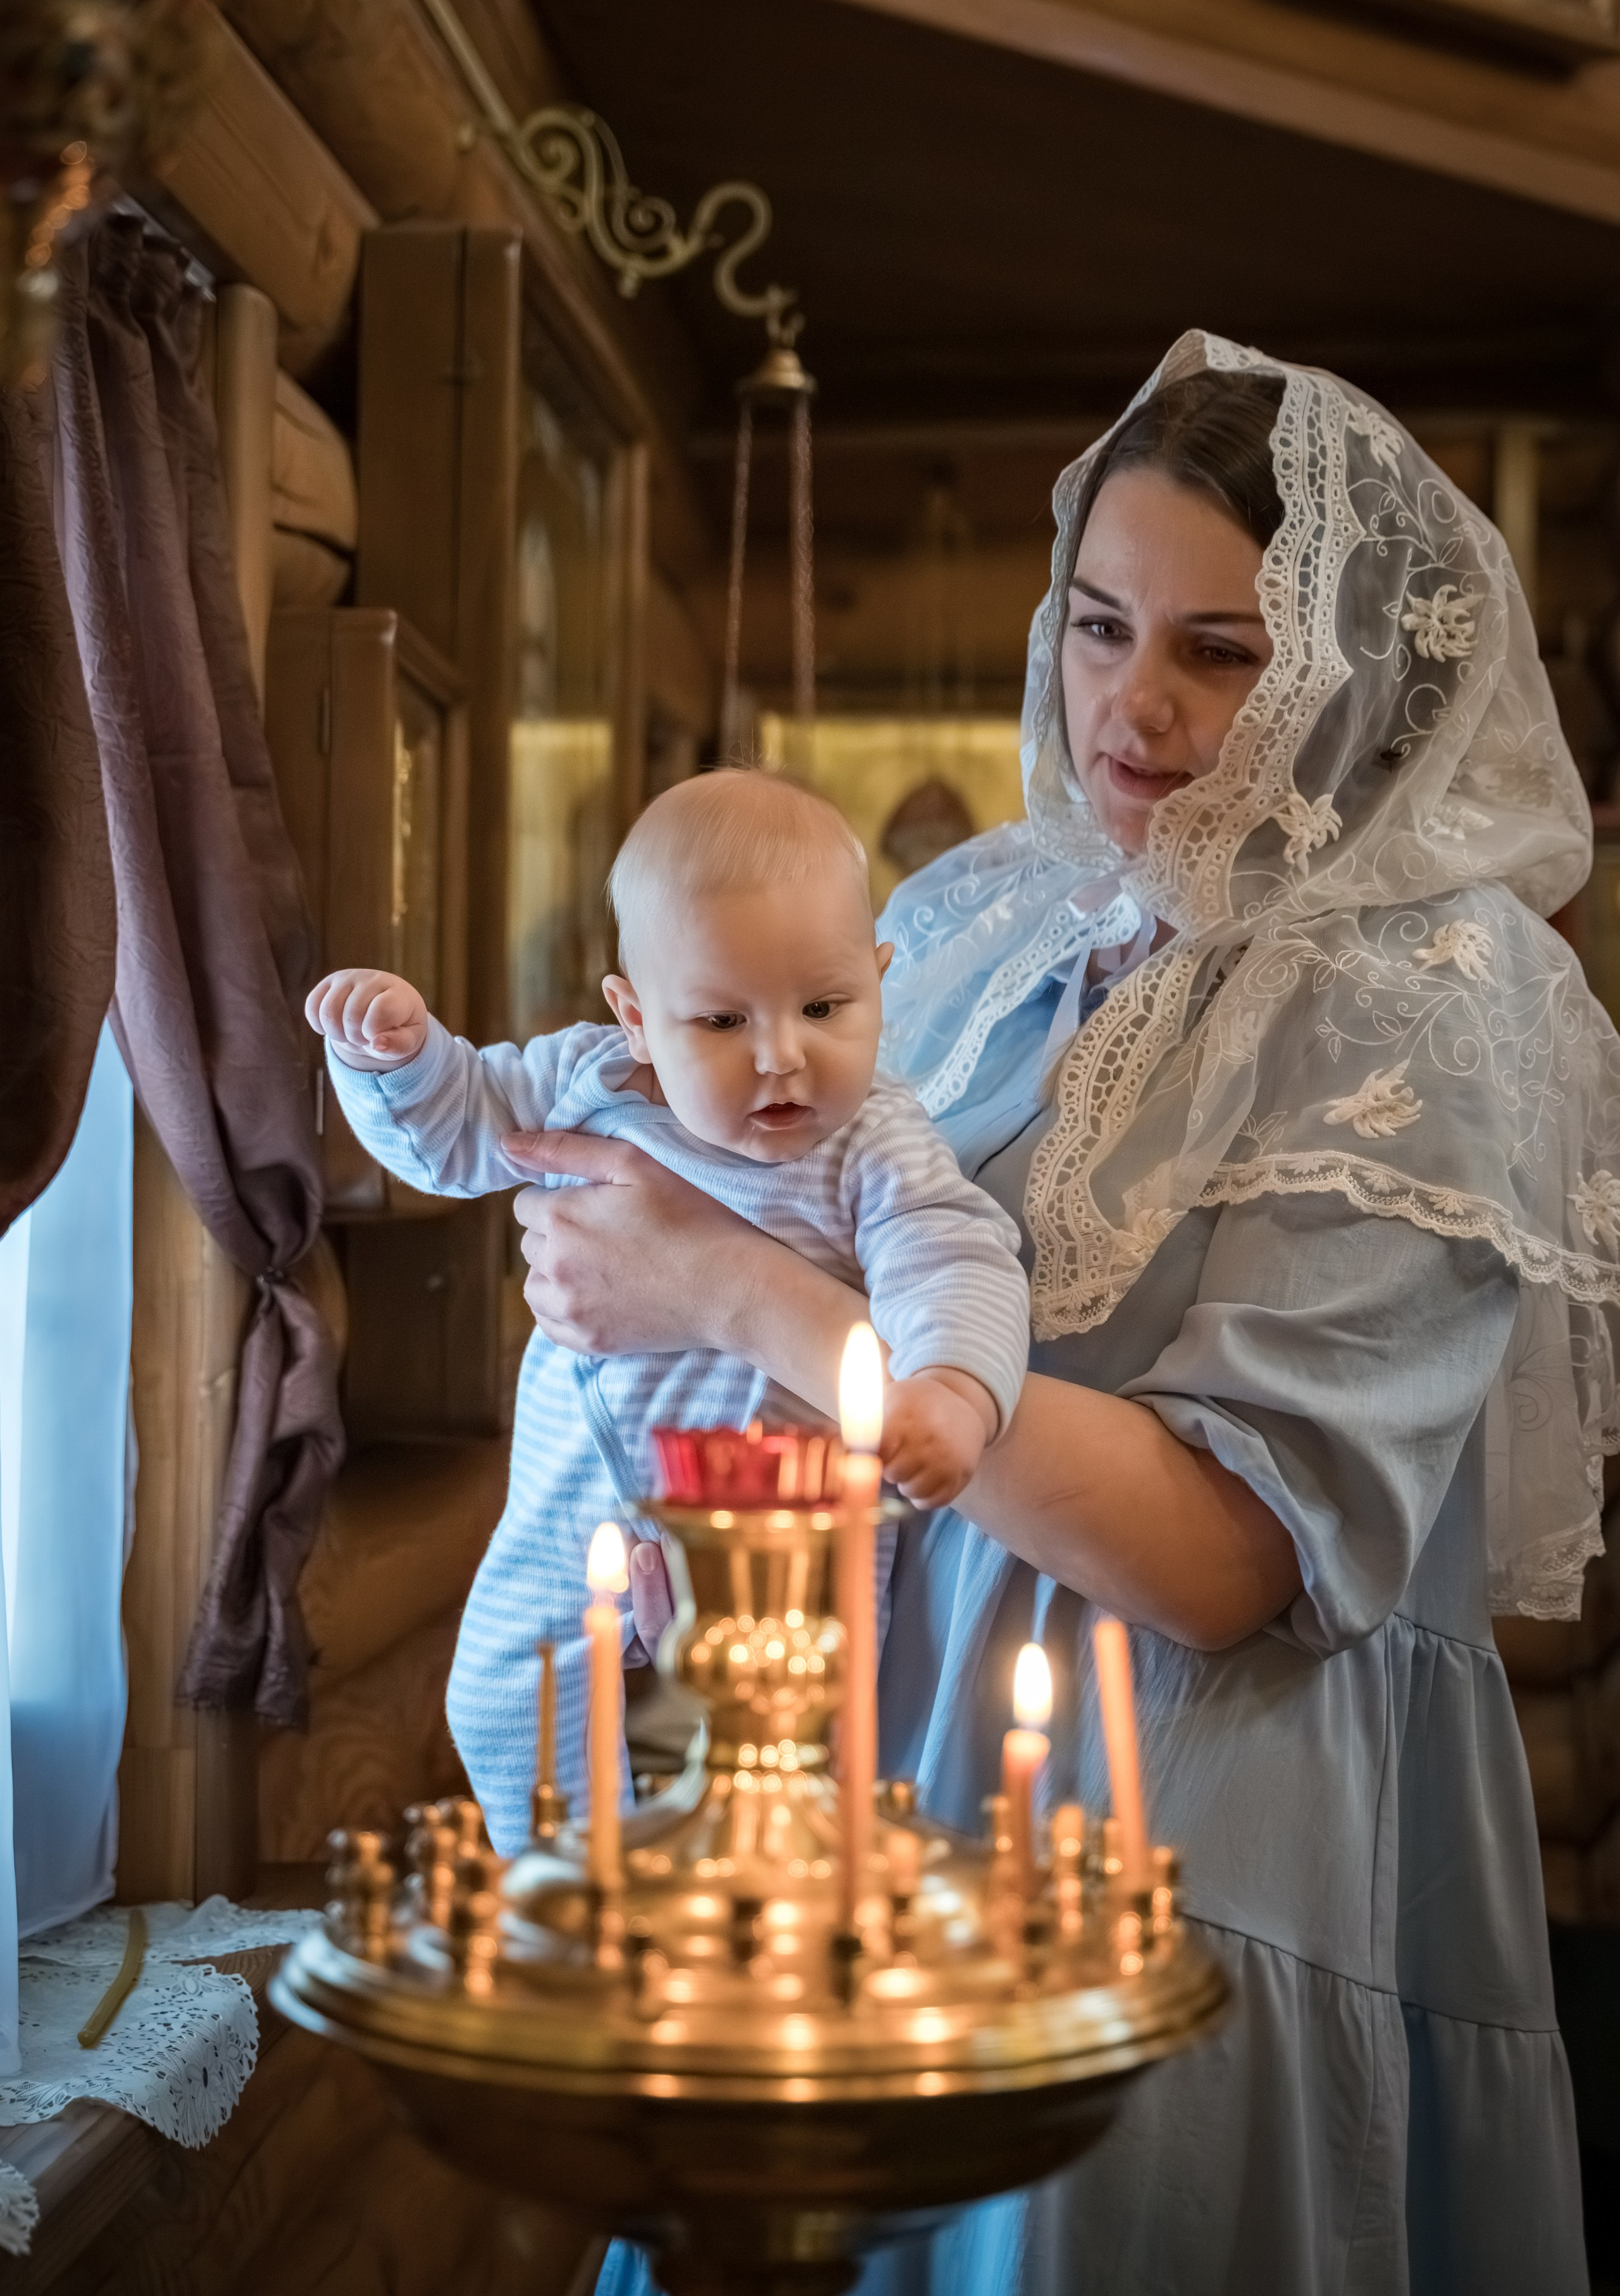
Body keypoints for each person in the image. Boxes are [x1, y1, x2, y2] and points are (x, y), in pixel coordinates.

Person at [528, 336, 1617, 2294]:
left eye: (1221, 648)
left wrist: (726, 1283)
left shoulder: (1432, 992)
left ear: (1349, 673)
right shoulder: (980, 912)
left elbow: (1227, 1552)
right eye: (1103, 624)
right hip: (883, 1767)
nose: (1136, 705)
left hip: (1193, 1820)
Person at [307, 770, 1031, 1850]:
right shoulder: (586, 1081)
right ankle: (577, 1899)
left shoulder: (873, 1139)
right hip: (575, 1501)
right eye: (722, 1019)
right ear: (637, 1019)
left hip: (775, 1527)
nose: (783, 1053)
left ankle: (738, 1928)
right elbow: (457, 1137)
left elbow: (958, 1259)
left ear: (882, 982)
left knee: (785, 1757)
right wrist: (399, 1063)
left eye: (826, 1007)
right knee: (504, 1699)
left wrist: (955, 1396)